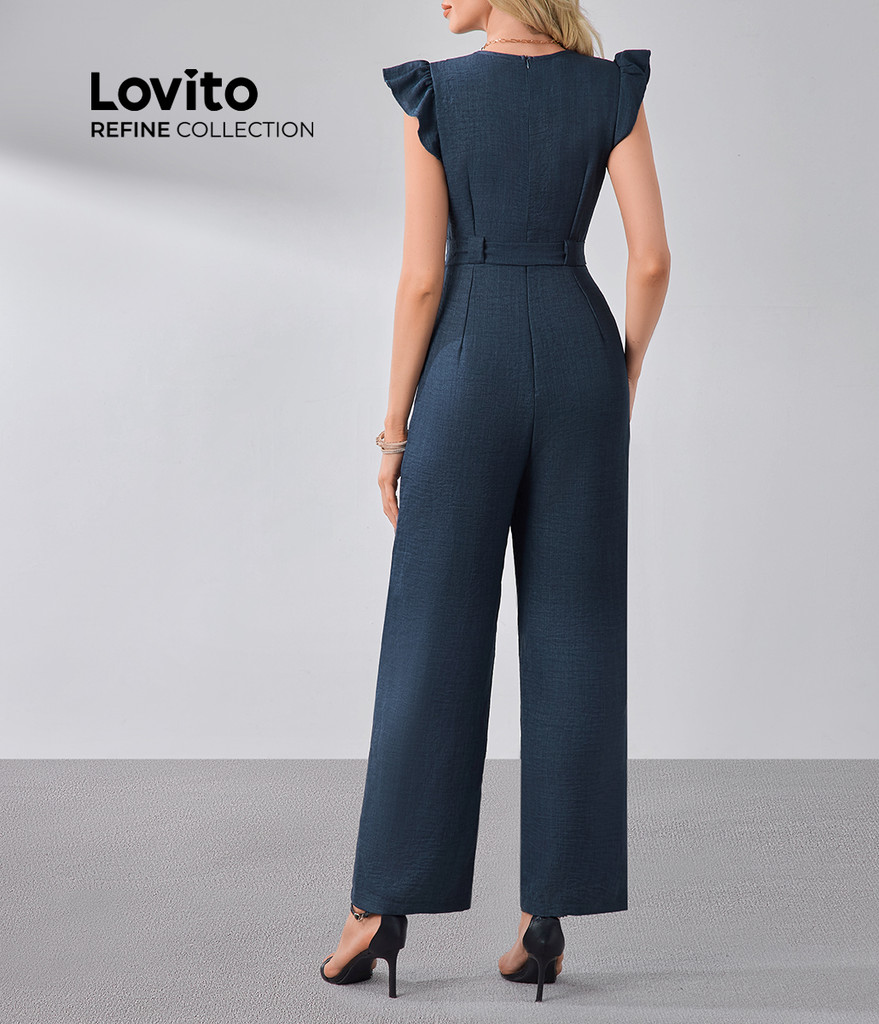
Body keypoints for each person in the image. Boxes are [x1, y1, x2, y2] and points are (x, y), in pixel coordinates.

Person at [320, 0, 669, 1003]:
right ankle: (545, 917)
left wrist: (394, 428)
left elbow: (421, 279)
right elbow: (651, 259)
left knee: (431, 629)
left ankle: (382, 906)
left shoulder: (436, 95)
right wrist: (618, 377)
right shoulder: (610, 90)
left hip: (467, 363)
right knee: (576, 633)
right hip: (579, 352)